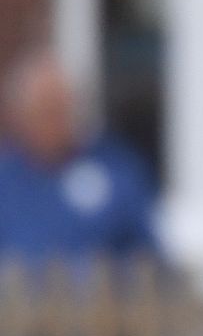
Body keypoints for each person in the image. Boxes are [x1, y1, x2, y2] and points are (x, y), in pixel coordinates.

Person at [0, 46, 159, 270]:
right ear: (19, 115)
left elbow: (150, 259)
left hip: (101, 304)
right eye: (44, 110)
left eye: (62, 109)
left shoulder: (116, 171)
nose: (54, 122)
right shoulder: (6, 181)